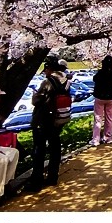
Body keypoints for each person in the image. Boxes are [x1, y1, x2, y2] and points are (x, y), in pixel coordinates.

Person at [28, 55, 70, 191]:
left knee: (39, 150)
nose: (44, 72)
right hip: (58, 118)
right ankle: (52, 177)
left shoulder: (47, 82)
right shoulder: (66, 81)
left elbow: (36, 101)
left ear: (49, 68)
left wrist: (36, 95)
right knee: (55, 147)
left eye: (45, 69)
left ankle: (36, 181)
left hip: (43, 119)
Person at [90, 55, 112, 146]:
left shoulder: (100, 73)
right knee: (109, 118)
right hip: (110, 98)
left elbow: (95, 79)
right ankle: (107, 138)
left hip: (100, 98)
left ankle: (96, 140)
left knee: (98, 118)